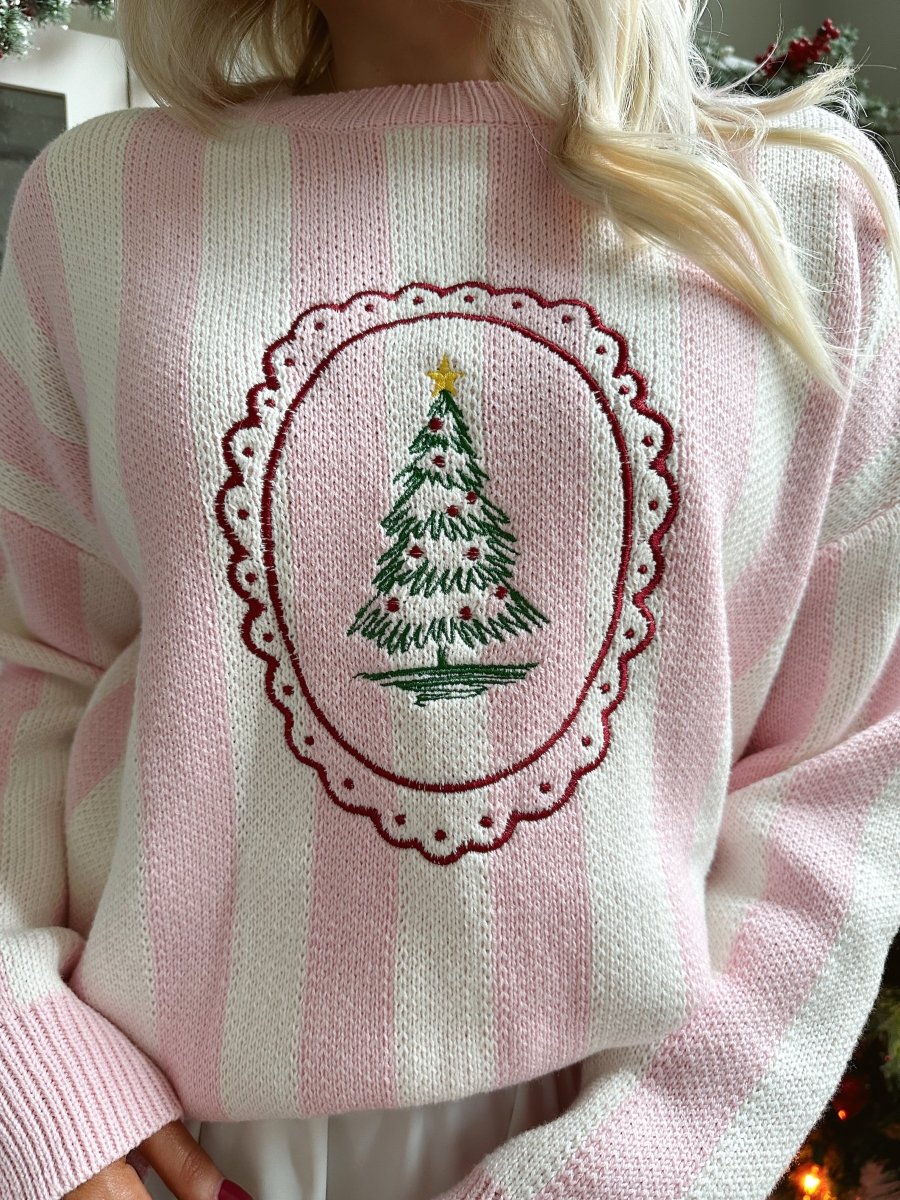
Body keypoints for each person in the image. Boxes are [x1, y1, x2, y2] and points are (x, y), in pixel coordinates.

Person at [1, 0, 898, 1198]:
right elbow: (28, 665)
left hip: (607, 1134)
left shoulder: (807, 215)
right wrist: (32, 1071)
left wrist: (635, 1169)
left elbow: (847, 762)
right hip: (154, 1135)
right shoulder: (101, 206)